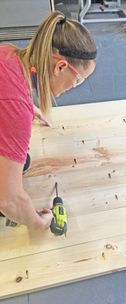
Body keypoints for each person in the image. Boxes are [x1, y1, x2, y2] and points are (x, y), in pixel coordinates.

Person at [0, 11, 97, 232]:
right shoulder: (15, 109)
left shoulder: (7, 52)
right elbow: (8, 200)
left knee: (20, 161)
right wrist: (36, 223)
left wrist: (25, 105)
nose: (75, 86)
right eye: (79, 80)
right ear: (60, 66)